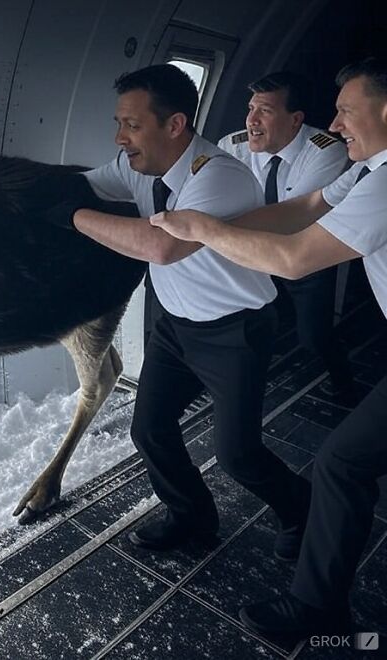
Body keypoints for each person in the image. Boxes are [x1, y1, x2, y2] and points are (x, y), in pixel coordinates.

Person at [150, 56, 387, 637]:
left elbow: (295, 256)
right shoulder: (367, 170)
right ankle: (320, 601)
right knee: (345, 464)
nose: (337, 121)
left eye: (347, 110)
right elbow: (303, 210)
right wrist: (219, 222)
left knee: (342, 462)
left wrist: (202, 230)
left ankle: (316, 607)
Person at [47, 64, 310, 560]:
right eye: (118, 123)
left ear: (175, 125)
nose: (120, 137)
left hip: (236, 331)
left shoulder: (218, 176)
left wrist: (72, 217)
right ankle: (191, 516)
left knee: (237, 455)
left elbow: (162, 247)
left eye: (131, 124)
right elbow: (88, 182)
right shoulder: (137, 166)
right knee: (149, 429)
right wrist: (31, 191)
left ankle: (302, 510)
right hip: (176, 327)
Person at [219, 72, 354, 402]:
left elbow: (294, 219)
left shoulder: (326, 151)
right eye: (250, 108)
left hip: (305, 254)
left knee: (314, 336)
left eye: (264, 110)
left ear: (295, 120)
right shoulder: (230, 146)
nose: (251, 120)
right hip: (252, 255)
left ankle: (343, 382)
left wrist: (214, 228)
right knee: (250, 325)